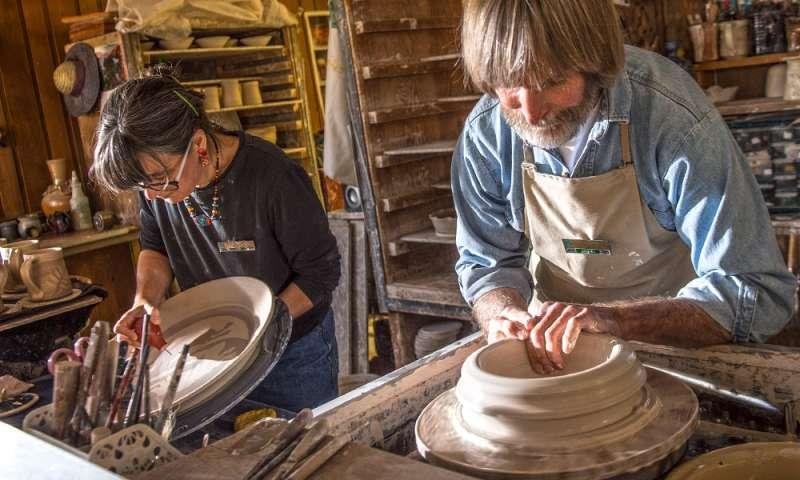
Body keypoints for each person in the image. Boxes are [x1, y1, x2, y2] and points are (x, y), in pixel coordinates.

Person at [453, 0, 796, 374]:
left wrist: (615, 320)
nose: (532, 113)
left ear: (595, 63)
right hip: (557, 353)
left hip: (680, 343)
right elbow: (486, 264)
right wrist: (501, 313)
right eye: (508, 85)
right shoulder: (487, 133)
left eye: (551, 81)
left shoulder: (672, 118)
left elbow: (754, 291)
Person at [91, 72, 341, 412]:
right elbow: (156, 246)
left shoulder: (274, 177)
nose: (150, 195)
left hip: (291, 352)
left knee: (303, 449)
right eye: (141, 186)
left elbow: (321, 273)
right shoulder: (155, 186)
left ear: (199, 144)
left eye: (158, 180)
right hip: (215, 350)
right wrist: (146, 301)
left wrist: (262, 326)